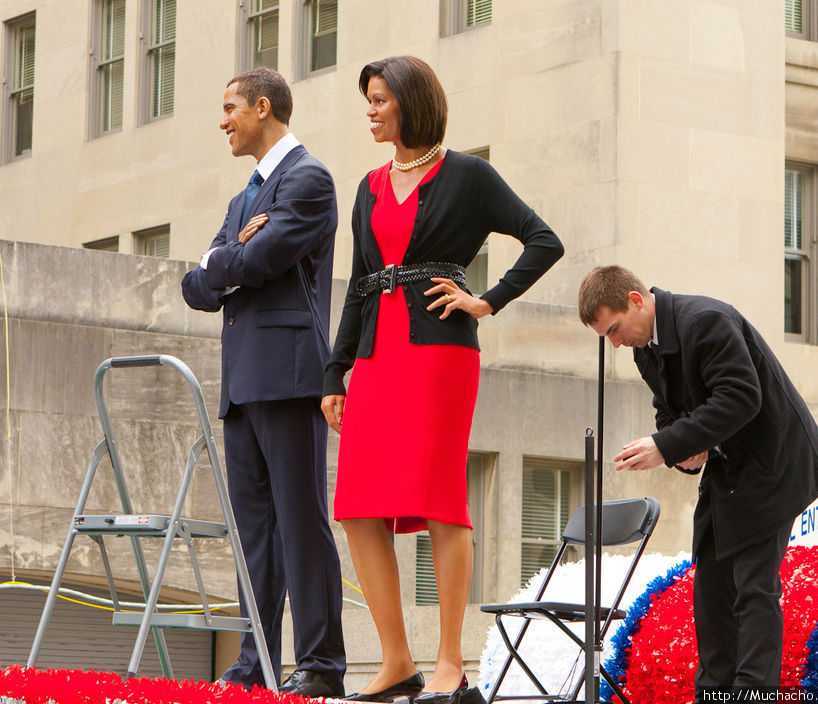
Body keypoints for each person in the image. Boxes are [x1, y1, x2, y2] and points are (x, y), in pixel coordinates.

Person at [321, 56, 564, 704]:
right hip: (374, 358)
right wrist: (334, 371)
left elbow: (543, 240)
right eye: (368, 101)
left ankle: (452, 663)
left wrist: (486, 299)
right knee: (357, 507)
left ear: (410, 102)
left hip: (439, 358)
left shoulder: (469, 176)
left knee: (438, 498)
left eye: (379, 100)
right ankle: (397, 660)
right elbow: (358, 287)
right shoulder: (369, 187)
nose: (370, 111)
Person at [577, 265, 818, 699]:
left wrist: (667, 444)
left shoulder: (707, 321)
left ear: (636, 301)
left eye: (616, 328)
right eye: (607, 335)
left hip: (773, 466)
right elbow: (669, 413)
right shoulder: (647, 350)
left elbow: (741, 396)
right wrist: (684, 452)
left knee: (754, 588)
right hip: (729, 471)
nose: (616, 342)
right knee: (712, 591)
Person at [181, 67, 345, 697]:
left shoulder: (308, 180)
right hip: (242, 384)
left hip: (291, 375)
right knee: (254, 530)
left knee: (301, 522)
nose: (222, 121)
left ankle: (322, 664)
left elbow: (256, 260)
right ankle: (257, 663)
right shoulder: (242, 198)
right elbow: (198, 286)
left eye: (230, 108)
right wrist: (228, 258)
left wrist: (224, 260)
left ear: (263, 106)